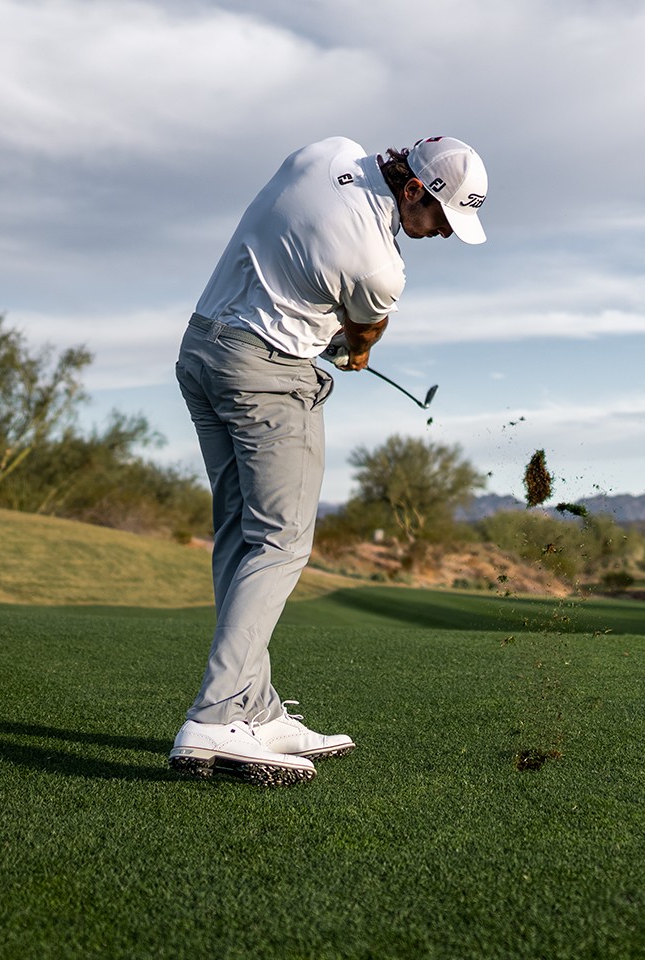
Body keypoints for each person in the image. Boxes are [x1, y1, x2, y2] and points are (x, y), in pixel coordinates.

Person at [168, 136, 489, 786]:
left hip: (202, 351)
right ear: (412, 192)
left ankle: (255, 707)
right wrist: (357, 349)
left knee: (239, 532)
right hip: (266, 375)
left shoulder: (329, 151)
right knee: (282, 541)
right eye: (441, 219)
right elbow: (363, 331)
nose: (444, 235)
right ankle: (215, 715)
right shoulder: (381, 267)